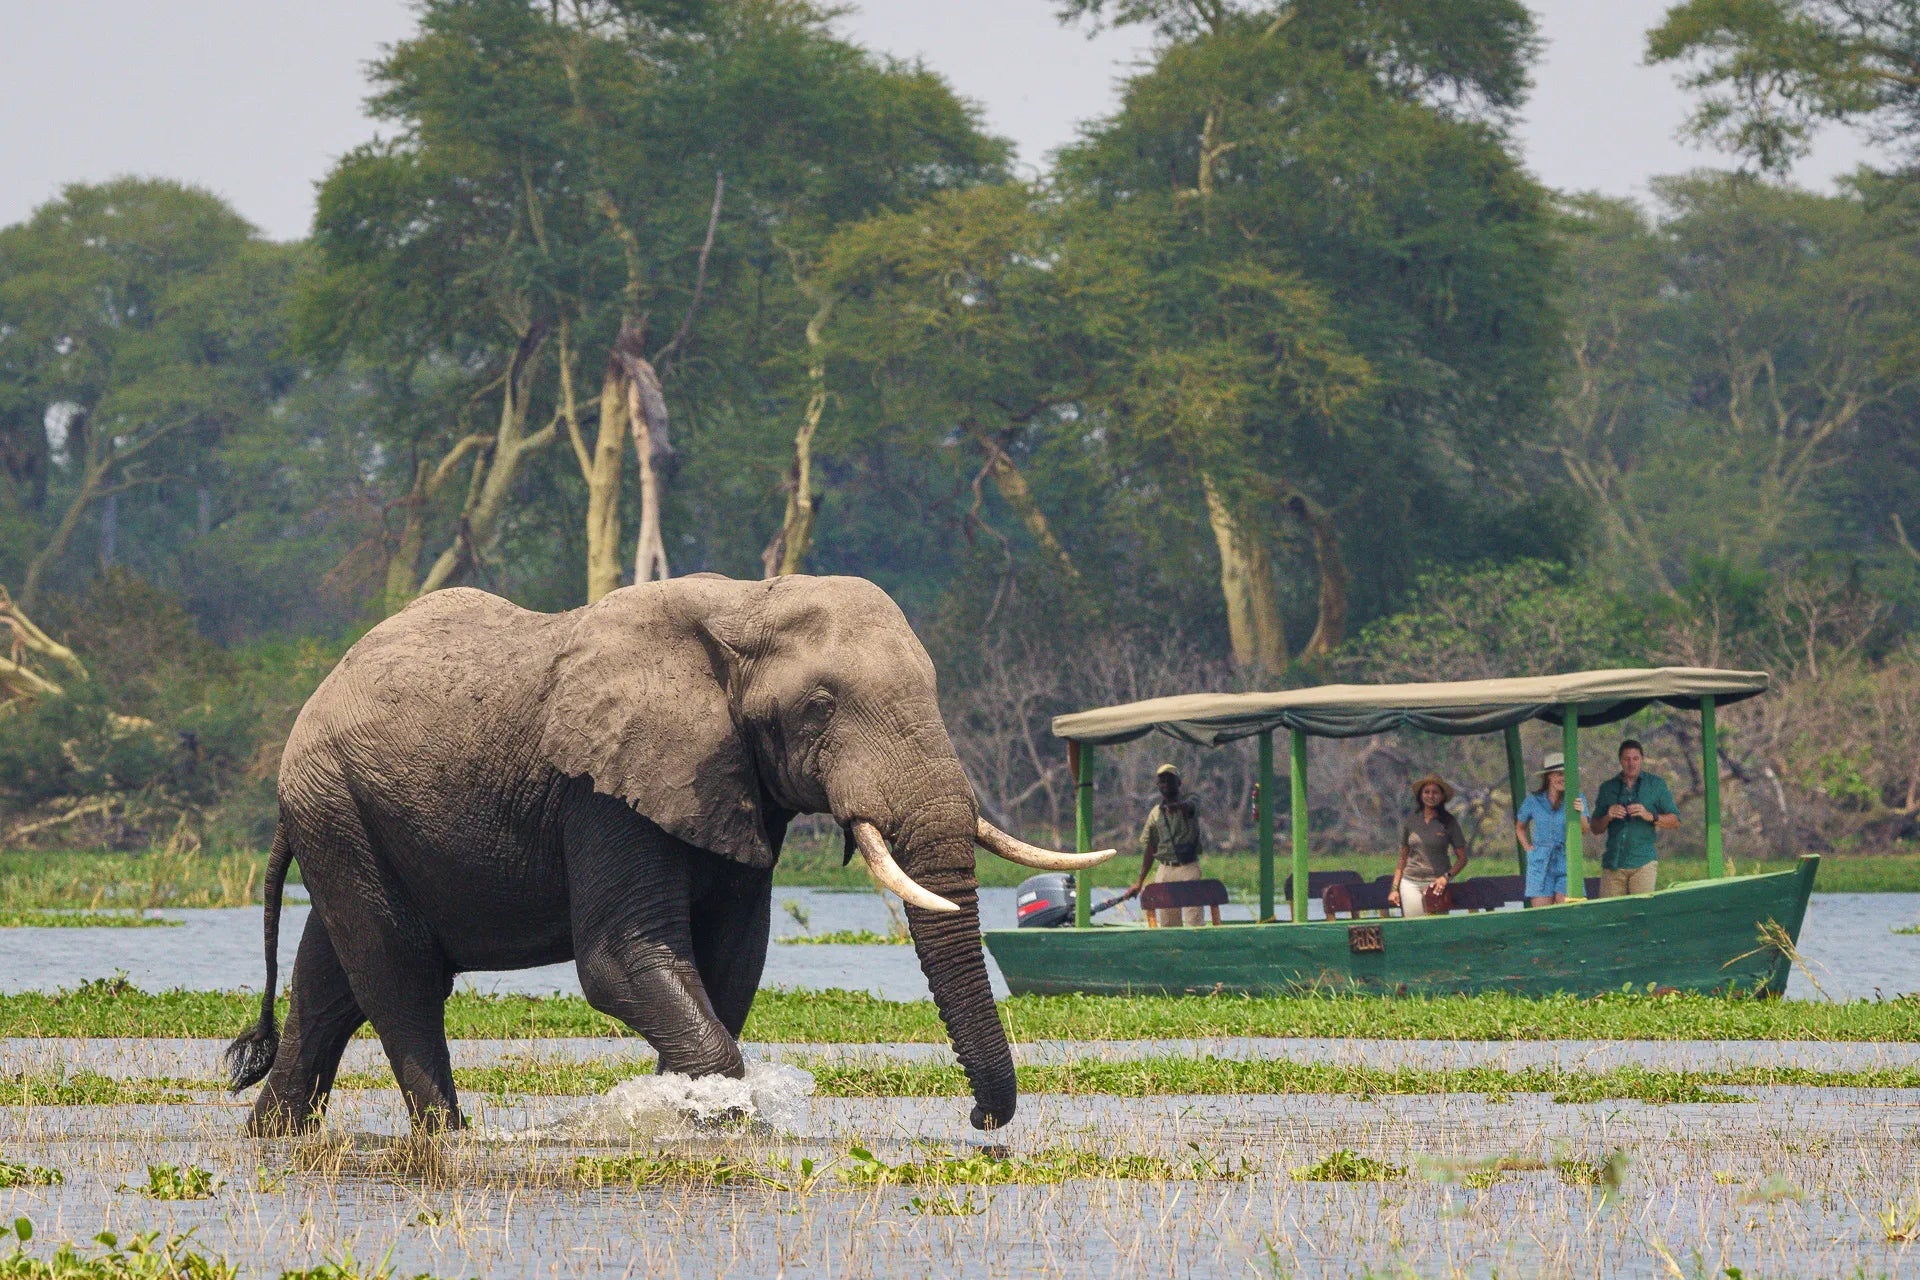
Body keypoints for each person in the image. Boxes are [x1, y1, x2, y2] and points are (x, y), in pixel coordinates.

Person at [1587, 738, 1679, 896]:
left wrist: (1649, 816)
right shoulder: (1608, 788)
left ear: (1642, 759)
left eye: (1635, 758)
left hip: (1643, 862)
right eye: (1627, 759)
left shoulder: (1656, 785)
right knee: (1610, 914)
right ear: (1620, 761)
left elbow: (1675, 821)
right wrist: (1608, 816)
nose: (1631, 763)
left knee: (1640, 912)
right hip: (1613, 864)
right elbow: (1595, 828)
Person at [1130, 763, 1205, 927]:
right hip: (1165, 870)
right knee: (1168, 923)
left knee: (1194, 921)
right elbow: (1151, 848)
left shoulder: (1191, 799)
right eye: (1162, 781)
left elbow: (1190, 808)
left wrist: (1176, 806)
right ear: (1158, 785)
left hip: (1188, 868)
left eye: (1170, 780)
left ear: (1178, 783)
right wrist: (1139, 882)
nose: (1165, 784)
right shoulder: (1156, 813)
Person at [1391, 774, 1467, 918]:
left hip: (1436, 884)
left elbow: (1462, 859)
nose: (1430, 796)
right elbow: (1402, 858)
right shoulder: (1411, 821)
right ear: (1421, 795)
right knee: (1415, 926)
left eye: (1435, 792)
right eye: (1427, 792)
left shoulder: (1449, 822)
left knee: (1438, 928)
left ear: (1442, 796)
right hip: (1411, 882)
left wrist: (1446, 877)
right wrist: (1394, 888)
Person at [1515, 752, 1586, 906]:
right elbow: (1520, 827)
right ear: (1549, 776)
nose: (1563, 778)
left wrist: (1579, 812)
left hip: (1567, 860)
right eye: (1559, 774)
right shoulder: (1533, 800)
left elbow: (1585, 829)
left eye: (1567, 774)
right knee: (1542, 914)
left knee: (1566, 912)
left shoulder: (1576, 797)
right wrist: (1528, 848)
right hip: (1540, 862)